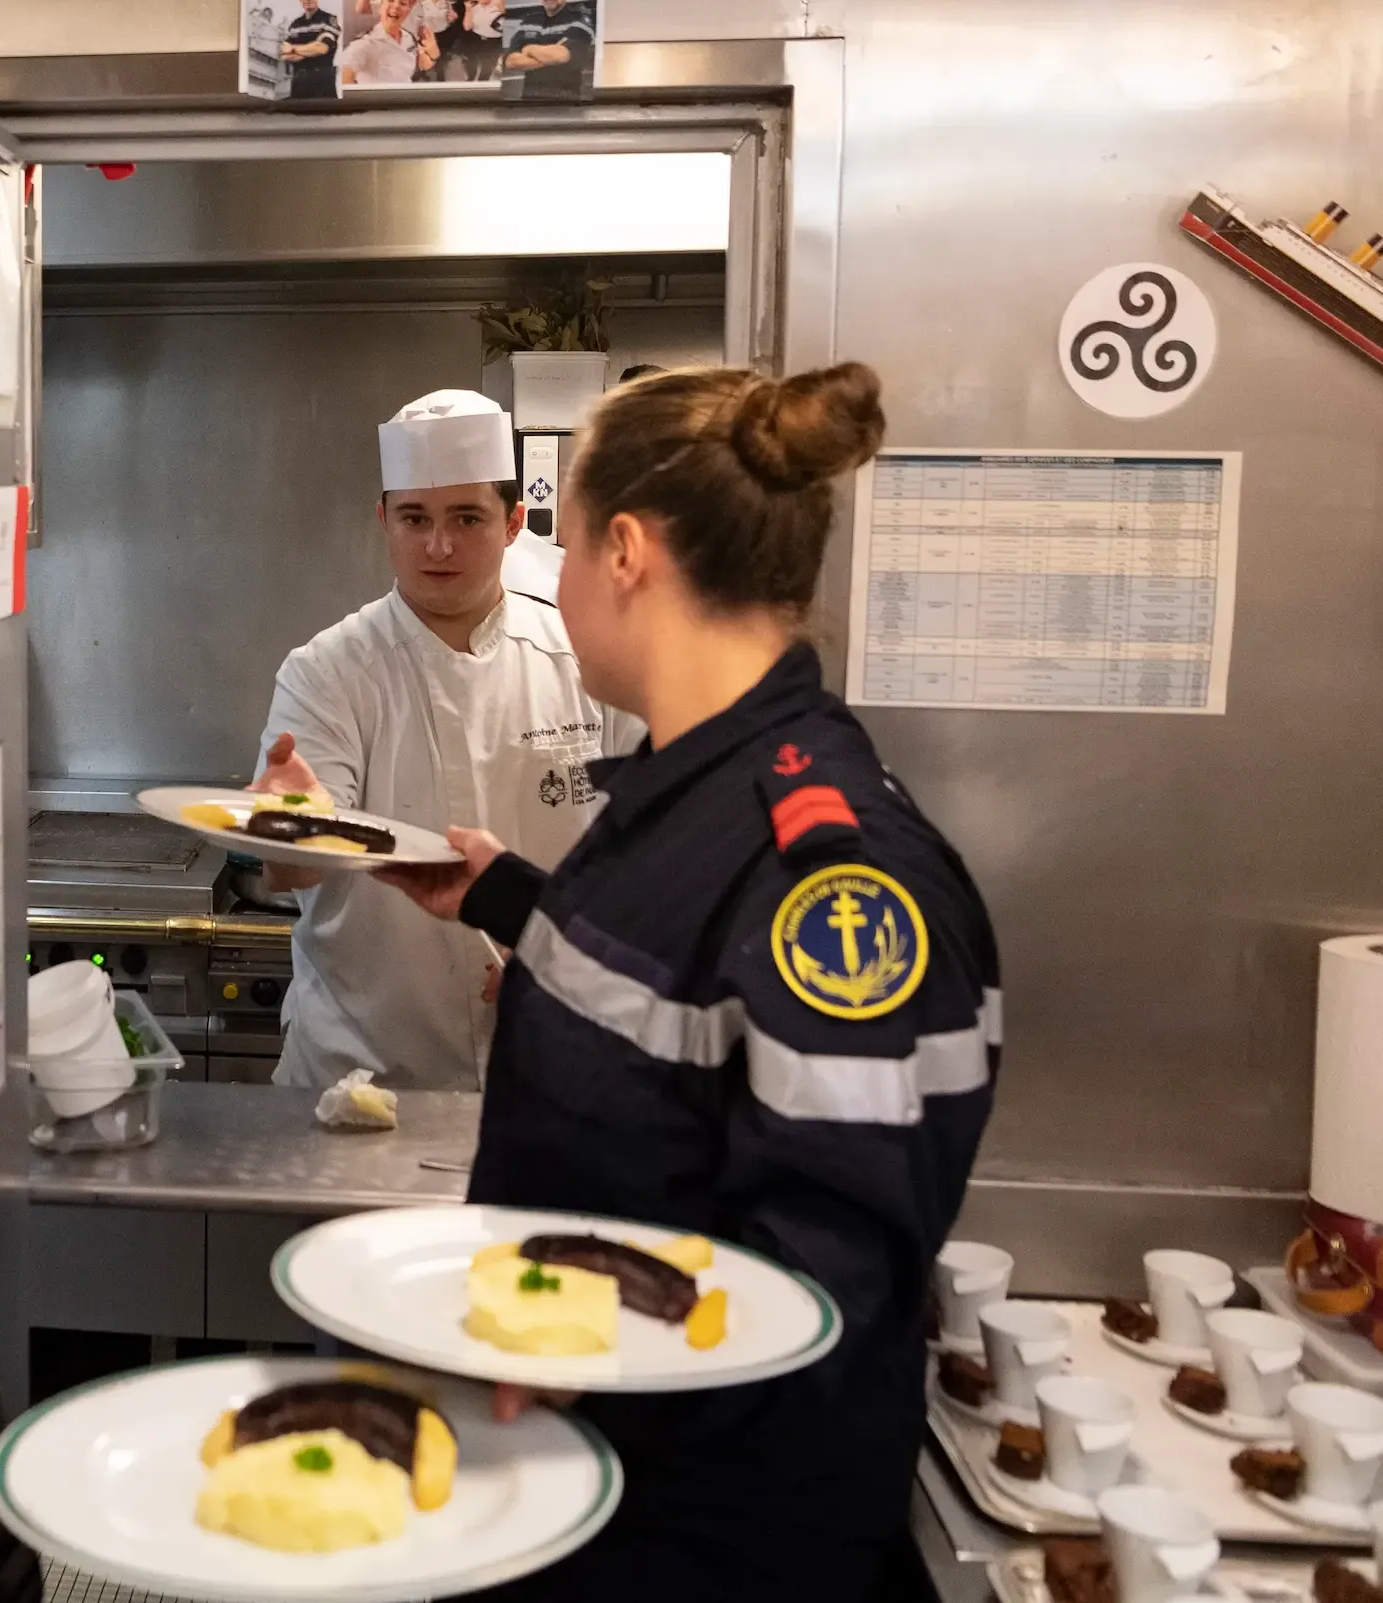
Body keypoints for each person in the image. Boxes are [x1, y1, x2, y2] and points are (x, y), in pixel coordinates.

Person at [377, 364, 1001, 1600]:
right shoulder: (691, 794)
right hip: (599, 1483)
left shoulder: (834, 876)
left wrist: (579, 1360)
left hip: (708, 1533)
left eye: (559, 540)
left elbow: (823, 1267)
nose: (550, 573)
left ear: (623, 552)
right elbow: (687, 1007)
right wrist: (504, 896)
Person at [250, 390, 643, 1092]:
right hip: (362, 1077)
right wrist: (288, 827)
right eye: (415, 518)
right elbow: (292, 872)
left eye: (467, 517)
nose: (438, 546)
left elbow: (647, 851)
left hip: (553, 1069)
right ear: (384, 521)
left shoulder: (586, 659)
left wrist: (574, 954)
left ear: (513, 523)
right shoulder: (327, 674)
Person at [501, 0, 595, 98]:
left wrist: (529, 49)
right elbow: (511, 61)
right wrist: (549, 57)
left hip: (565, 101)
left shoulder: (579, 20)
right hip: (529, 101)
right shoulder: (528, 21)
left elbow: (560, 56)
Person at [337, 0, 438, 87]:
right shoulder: (366, 43)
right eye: (391, 0)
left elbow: (423, 65)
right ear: (380, 9)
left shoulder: (409, 38)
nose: (396, 6)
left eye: (403, 3)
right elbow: (343, 74)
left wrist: (432, 52)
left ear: (408, 12)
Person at [278, 0, 342, 100]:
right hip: (299, 85)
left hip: (322, 84)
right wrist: (309, 51)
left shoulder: (328, 20)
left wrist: (293, 49)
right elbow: (285, 55)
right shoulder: (295, 25)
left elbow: (322, 48)